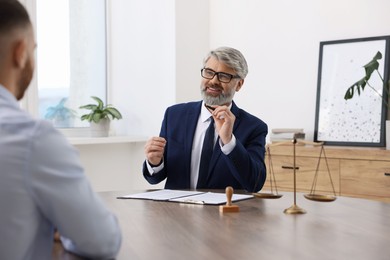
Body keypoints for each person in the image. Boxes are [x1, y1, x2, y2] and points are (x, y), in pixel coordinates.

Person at [0, 1, 121, 259]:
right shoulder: (33, 139)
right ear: (20, 52)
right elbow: (103, 241)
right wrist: (61, 227)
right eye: (33, 50)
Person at [143, 46, 268, 192]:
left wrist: (228, 141)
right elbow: (155, 178)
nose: (213, 81)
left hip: (224, 213)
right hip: (177, 211)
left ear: (239, 84)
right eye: (209, 72)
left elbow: (255, 183)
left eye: (223, 76)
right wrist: (154, 162)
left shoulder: (254, 127)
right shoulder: (174, 115)